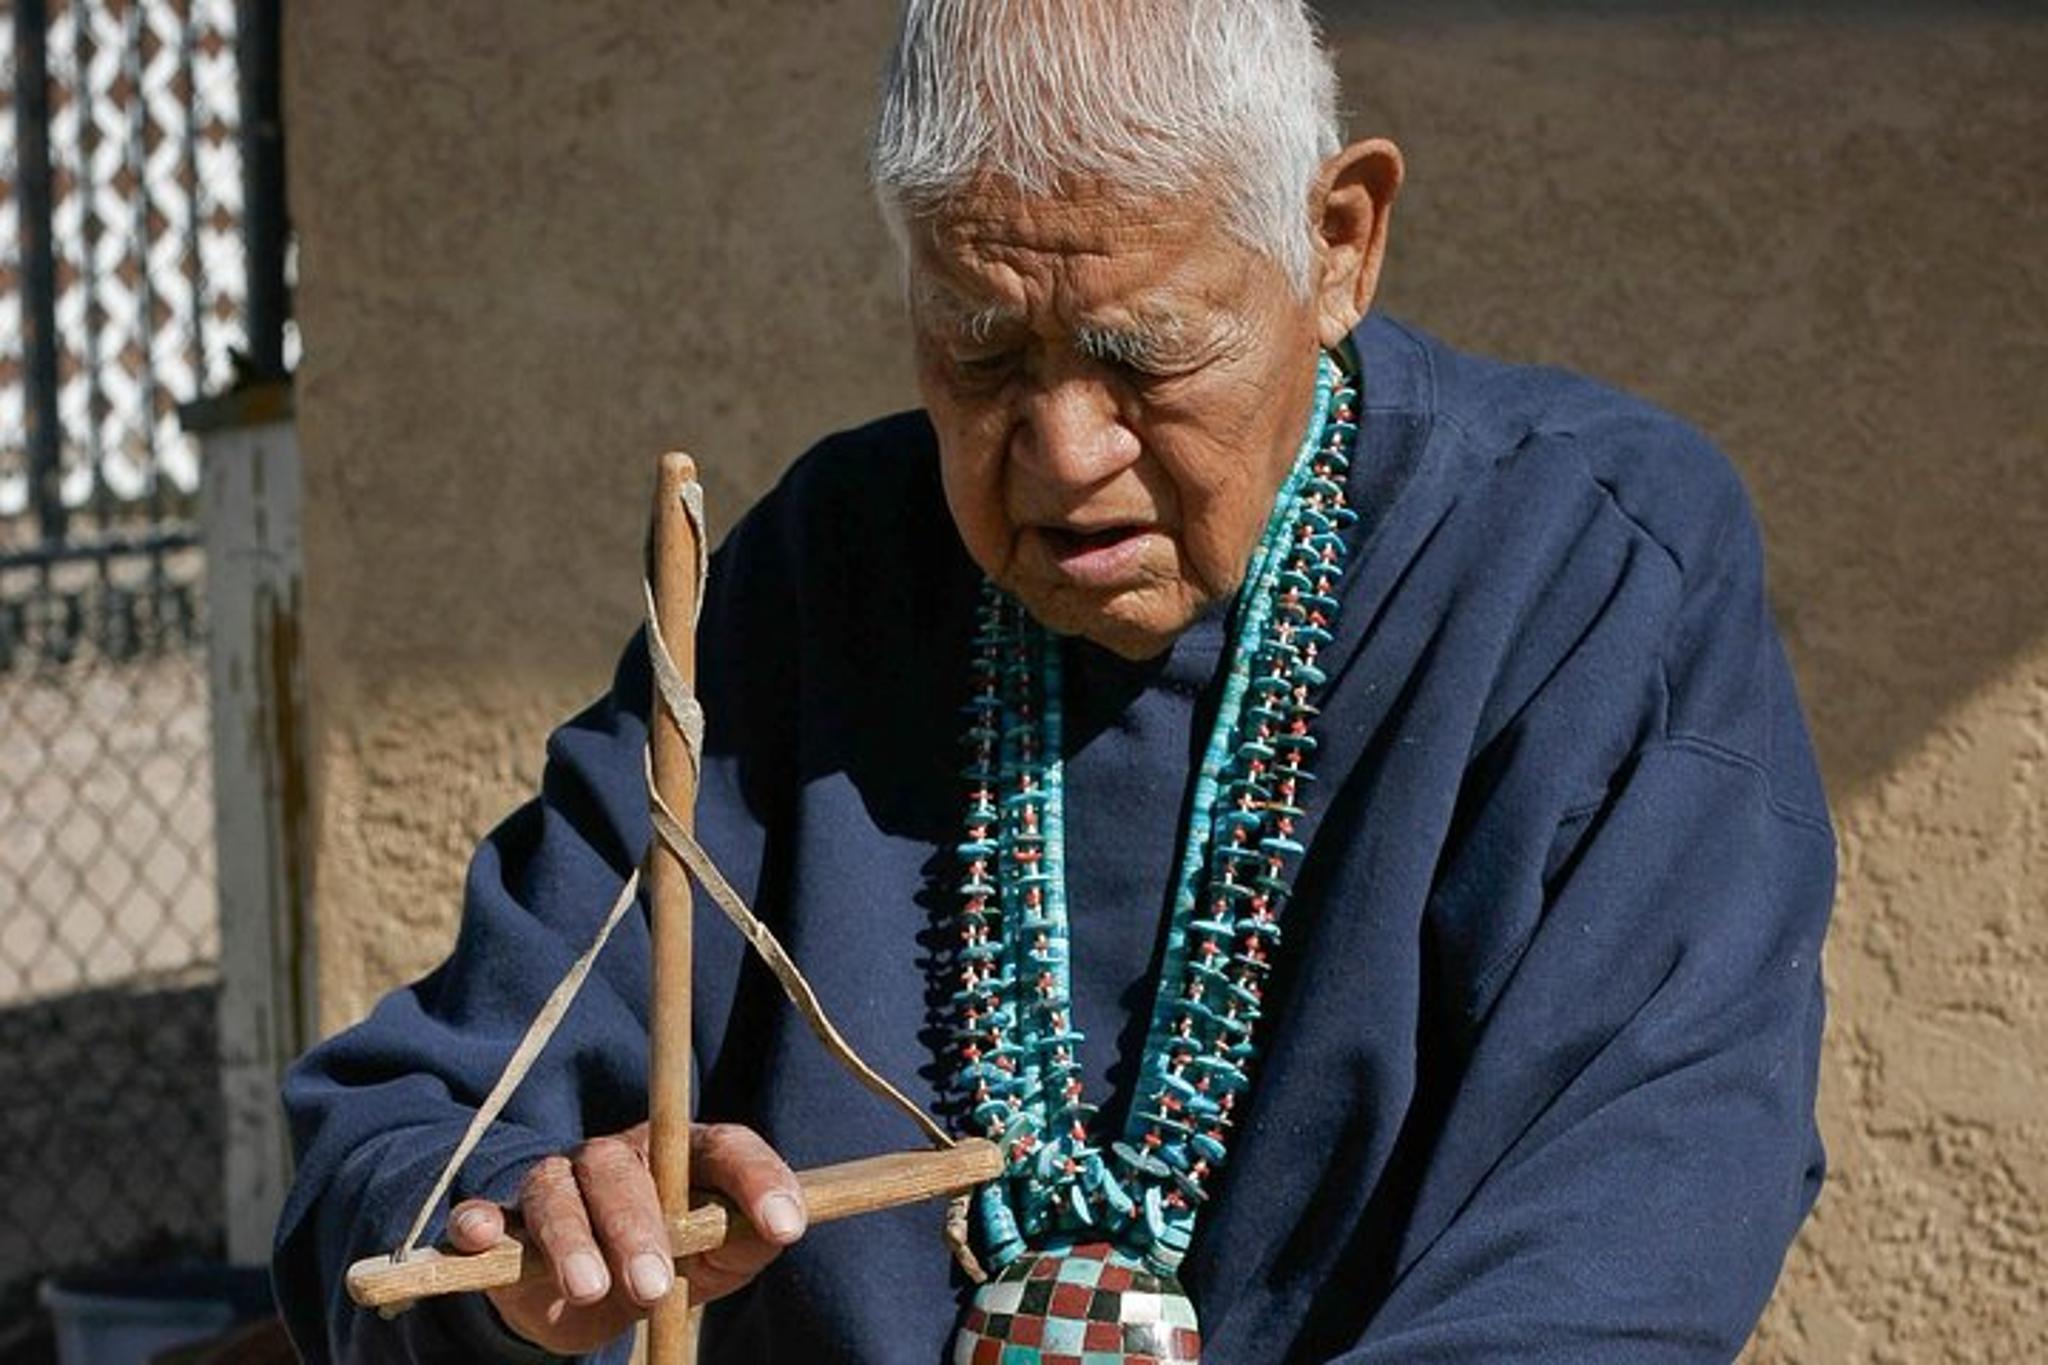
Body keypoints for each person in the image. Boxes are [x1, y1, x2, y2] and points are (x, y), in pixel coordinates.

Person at [275, 2, 1835, 1361]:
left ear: (1339, 243)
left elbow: (1636, 1220)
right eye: (982, 355)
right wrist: (521, 1260)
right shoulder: (820, 578)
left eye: (1143, 356)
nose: (1065, 455)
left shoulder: (1585, 572)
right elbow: (395, 1143)